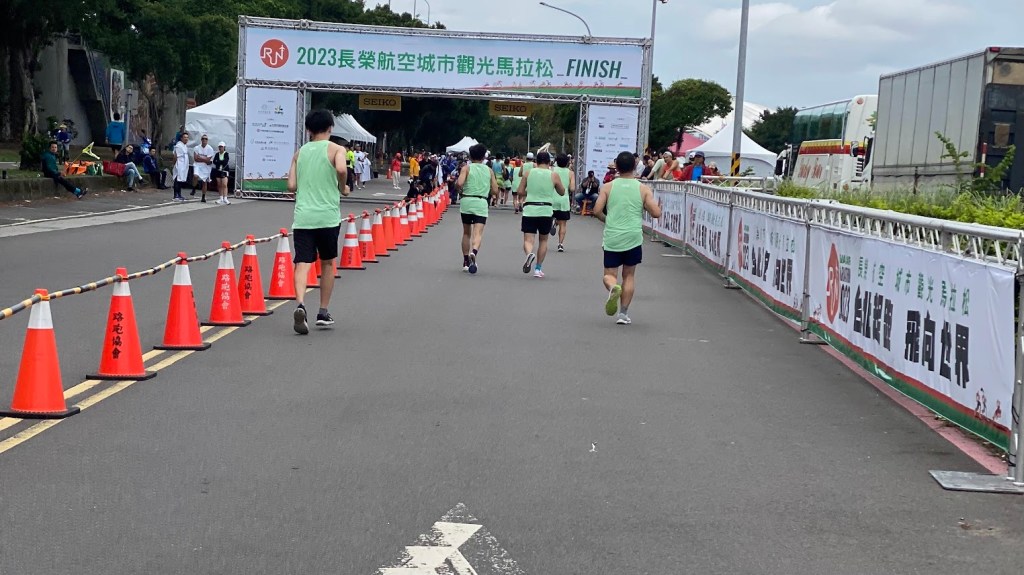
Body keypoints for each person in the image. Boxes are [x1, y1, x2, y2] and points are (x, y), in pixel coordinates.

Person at [286, 109, 350, 335]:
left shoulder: (299, 153)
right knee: (327, 263)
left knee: (302, 262)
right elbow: (341, 168)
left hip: (304, 217)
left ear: (308, 130)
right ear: (330, 127)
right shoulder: (336, 149)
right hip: (327, 216)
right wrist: (342, 186)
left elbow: (291, 186)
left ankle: (300, 303)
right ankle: (323, 312)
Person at [593, 151, 663, 325]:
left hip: (613, 235)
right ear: (634, 167)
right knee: (629, 275)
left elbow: (596, 210)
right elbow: (656, 213)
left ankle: (613, 287)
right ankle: (623, 314)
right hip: (633, 236)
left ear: (616, 167)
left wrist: (606, 220)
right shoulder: (643, 189)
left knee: (609, 274)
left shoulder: (607, 187)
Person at [516, 151, 565, 278]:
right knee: (543, 240)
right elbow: (562, 192)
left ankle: (529, 254)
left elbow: (520, 191)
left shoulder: (528, 173)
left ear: (536, 161)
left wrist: (531, 192)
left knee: (528, 239)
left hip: (530, 209)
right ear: (549, 162)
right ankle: (538, 269)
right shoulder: (553, 175)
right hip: (546, 210)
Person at [456, 143, 500, 274]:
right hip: (481, 202)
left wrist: (459, 189)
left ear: (470, 156)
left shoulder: (466, 168)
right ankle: (474, 252)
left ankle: (465, 261)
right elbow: (495, 190)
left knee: (466, 233)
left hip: (467, 201)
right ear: (483, 157)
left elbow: (459, 183)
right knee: (478, 232)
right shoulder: (489, 170)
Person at [550, 153, 574, 252]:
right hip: (564, 201)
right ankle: (560, 244)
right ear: (567, 162)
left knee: (549, 217)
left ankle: (553, 223)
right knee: (563, 224)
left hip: (552, 199)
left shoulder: (552, 170)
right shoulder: (570, 173)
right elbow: (572, 188)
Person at [192, 135, 215, 202]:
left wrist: (200, 158)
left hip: (206, 167)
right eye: (203, 139)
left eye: (206, 139)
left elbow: (208, 160)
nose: (204, 140)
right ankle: (194, 188)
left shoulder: (210, 149)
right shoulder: (197, 148)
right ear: (201, 140)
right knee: (195, 176)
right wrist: (205, 159)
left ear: (207, 140)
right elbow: (196, 159)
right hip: (197, 165)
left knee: (204, 182)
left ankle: (203, 197)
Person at [172, 132, 190, 201]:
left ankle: (179, 194)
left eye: (187, 137)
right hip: (179, 164)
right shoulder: (179, 145)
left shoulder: (185, 146)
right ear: (181, 138)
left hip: (184, 165)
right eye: (185, 137)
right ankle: (175, 195)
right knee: (177, 179)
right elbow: (175, 156)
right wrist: (174, 164)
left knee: (181, 180)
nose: (186, 139)